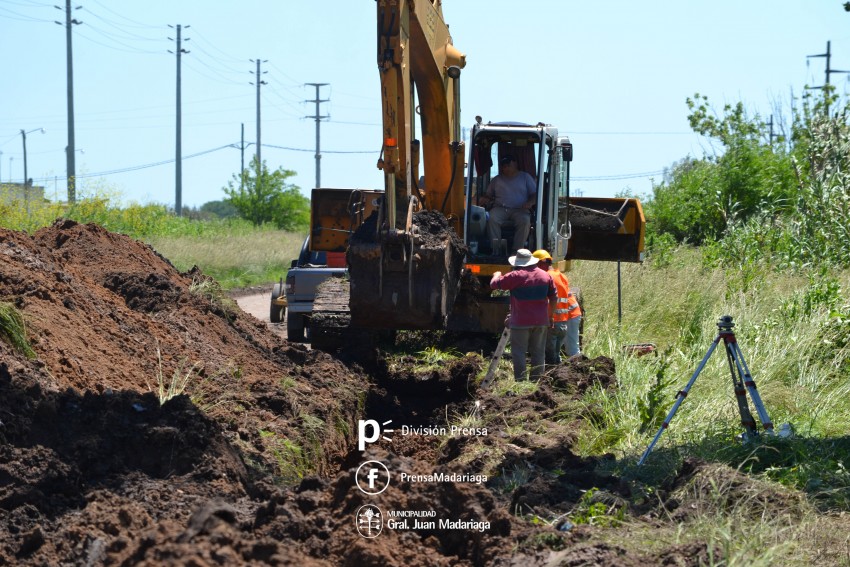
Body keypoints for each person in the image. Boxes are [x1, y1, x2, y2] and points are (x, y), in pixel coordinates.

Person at [490, 248, 557, 381]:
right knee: (538, 353)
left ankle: (520, 382)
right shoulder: (545, 275)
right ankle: (536, 381)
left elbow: (494, 284)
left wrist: (496, 274)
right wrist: (550, 317)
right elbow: (554, 298)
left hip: (520, 322)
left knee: (519, 352)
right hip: (541, 321)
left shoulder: (515, 276)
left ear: (518, 262)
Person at [479, 155, 536, 255]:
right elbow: (488, 195)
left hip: (520, 209)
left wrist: (530, 202)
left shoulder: (525, 177)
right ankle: (497, 250)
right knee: (491, 218)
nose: (505, 167)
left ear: (515, 164)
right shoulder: (496, 179)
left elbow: (534, 194)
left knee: (525, 220)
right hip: (501, 208)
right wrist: (484, 199)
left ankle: (517, 251)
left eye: (508, 165)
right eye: (503, 166)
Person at [533, 249, 582, 363]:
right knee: (566, 349)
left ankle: (578, 370)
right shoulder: (559, 274)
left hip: (564, 317)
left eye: (534, 265)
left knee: (571, 350)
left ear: (541, 263)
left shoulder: (546, 278)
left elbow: (550, 300)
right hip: (568, 315)